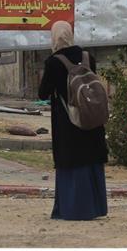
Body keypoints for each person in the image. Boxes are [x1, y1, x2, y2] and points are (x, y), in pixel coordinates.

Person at [38, 21, 108, 220]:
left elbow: (43, 93)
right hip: (90, 120)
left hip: (68, 122)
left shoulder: (53, 62)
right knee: (91, 160)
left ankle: (72, 209)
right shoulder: (88, 57)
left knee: (72, 163)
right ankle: (95, 207)